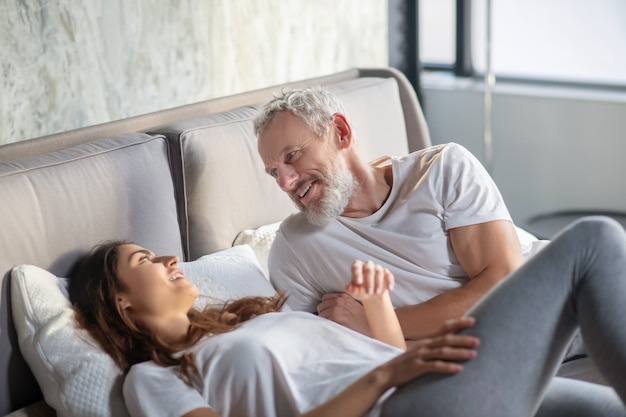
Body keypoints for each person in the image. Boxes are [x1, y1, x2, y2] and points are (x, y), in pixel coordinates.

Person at [68, 217, 626, 416]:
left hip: (426, 386)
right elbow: (385, 372)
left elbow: (382, 356)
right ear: (121, 303)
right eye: (144, 260)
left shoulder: (243, 322)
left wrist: (377, 305)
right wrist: (388, 377)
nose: (169, 259)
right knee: (593, 241)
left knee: (604, 409)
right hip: (401, 407)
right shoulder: (155, 380)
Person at [254, 86, 542, 340]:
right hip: (485, 362)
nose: (285, 183)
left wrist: (378, 323)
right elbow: (314, 349)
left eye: (292, 156)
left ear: (340, 133)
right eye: (274, 172)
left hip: (550, 305)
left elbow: (506, 287)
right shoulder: (294, 248)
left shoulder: (443, 169)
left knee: (587, 239)